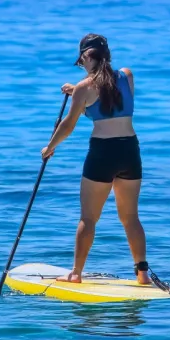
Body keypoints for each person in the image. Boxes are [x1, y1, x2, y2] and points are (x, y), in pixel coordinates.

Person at [41, 33, 152, 285]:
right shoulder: (127, 75)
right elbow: (108, 91)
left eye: (81, 61)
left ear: (85, 56)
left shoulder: (84, 88)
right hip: (130, 151)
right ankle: (142, 273)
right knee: (130, 218)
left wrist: (50, 146)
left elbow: (68, 126)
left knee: (88, 218)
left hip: (103, 153)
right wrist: (77, 90)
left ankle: (76, 273)